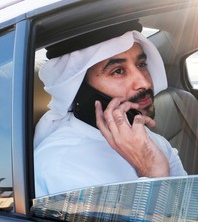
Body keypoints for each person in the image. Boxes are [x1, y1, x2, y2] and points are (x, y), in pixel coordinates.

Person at [34, 21, 187, 197]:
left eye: (141, 65)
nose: (144, 83)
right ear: (81, 90)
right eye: (118, 71)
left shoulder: (150, 139)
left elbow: (193, 213)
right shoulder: (59, 168)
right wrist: (152, 171)